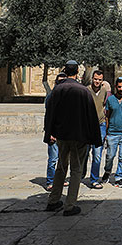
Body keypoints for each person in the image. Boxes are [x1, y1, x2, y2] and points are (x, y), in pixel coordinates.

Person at [44, 60, 102, 216]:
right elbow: (91, 116)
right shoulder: (83, 91)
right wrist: (95, 138)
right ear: (77, 72)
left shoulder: (57, 90)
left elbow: (50, 113)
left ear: (65, 70)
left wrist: (49, 133)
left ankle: (53, 200)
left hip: (62, 136)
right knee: (76, 169)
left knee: (61, 167)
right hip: (79, 137)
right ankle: (70, 205)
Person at [84, 70, 111, 189]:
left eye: (99, 80)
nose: (97, 81)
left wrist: (107, 126)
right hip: (87, 125)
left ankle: (94, 179)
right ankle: (80, 174)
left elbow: (106, 107)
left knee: (97, 154)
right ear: (92, 79)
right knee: (84, 153)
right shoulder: (86, 91)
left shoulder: (105, 91)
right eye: (95, 79)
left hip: (100, 125)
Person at [44, 72, 67, 191]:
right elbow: (48, 117)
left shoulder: (67, 97)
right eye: (59, 82)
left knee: (62, 159)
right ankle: (50, 181)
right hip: (54, 133)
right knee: (53, 159)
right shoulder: (51, 97)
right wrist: (50, 133)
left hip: (63, 134)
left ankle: (60, 180)